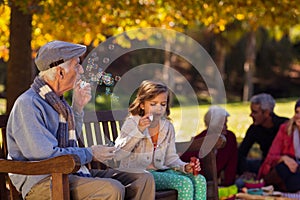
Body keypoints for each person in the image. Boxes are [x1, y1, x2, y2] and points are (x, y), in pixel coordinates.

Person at [6, 40, 155, 200]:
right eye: (76, 65)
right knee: (111, 189)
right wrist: (90, 153)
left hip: (71, 172)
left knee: (143, 179)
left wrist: (77, 107)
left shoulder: (57, 102)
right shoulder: (28, 104)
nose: (81, 69)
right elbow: (46, 156)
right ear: (60, 73)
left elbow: (69, 139)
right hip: (43, 181)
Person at [114, 80, 206, 200]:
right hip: (139, 175)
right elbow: (118, 153)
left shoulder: (167, 127)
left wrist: (185, 167)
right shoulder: (132, 123)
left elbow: (171, 158)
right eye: (153, 104)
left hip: (160, 172)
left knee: (200, 180)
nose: (159, 108)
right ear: (142, 104)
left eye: (163, 104)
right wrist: (139, 130)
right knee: (184, 183)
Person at [180, 105, 238, 186]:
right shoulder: (200, 140)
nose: (226, 127)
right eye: (222, 124)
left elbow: (232, 164)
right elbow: (185, 160)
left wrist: (227, 185)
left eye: (226, 123)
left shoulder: (230, 138)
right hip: (200, 182)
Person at [237, 93, 289, 175]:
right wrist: (245, 171)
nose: (251, 115)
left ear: (267, 113)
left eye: (255, 112)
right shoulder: (254, 129)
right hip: (264, 164)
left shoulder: (284, 126)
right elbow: (241, 153)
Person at [258, 99, 300, 192]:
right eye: (297, 112)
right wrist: (283, 158)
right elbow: (270, 157)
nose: (298, 116)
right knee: (283, 168)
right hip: (285, 173)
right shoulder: (285, 129)